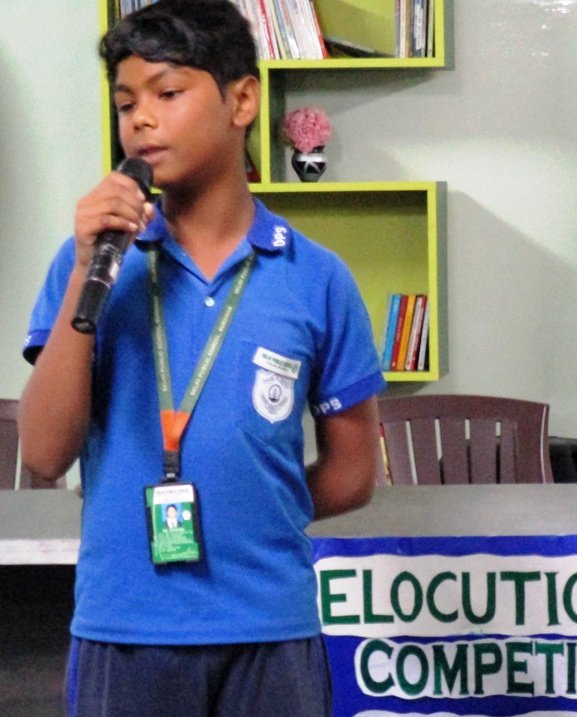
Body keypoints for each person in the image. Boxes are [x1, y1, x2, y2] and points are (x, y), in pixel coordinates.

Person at [17, 1, 385, 714]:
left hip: (269, 627)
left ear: (241, 100)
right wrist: (89, 269)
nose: (141, 121)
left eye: (167, 93)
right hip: (124, 627)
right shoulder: (91, 263)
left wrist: (249, 509)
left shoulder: (315, 278)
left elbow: (353, 473)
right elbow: (45, 450)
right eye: (126, 104)